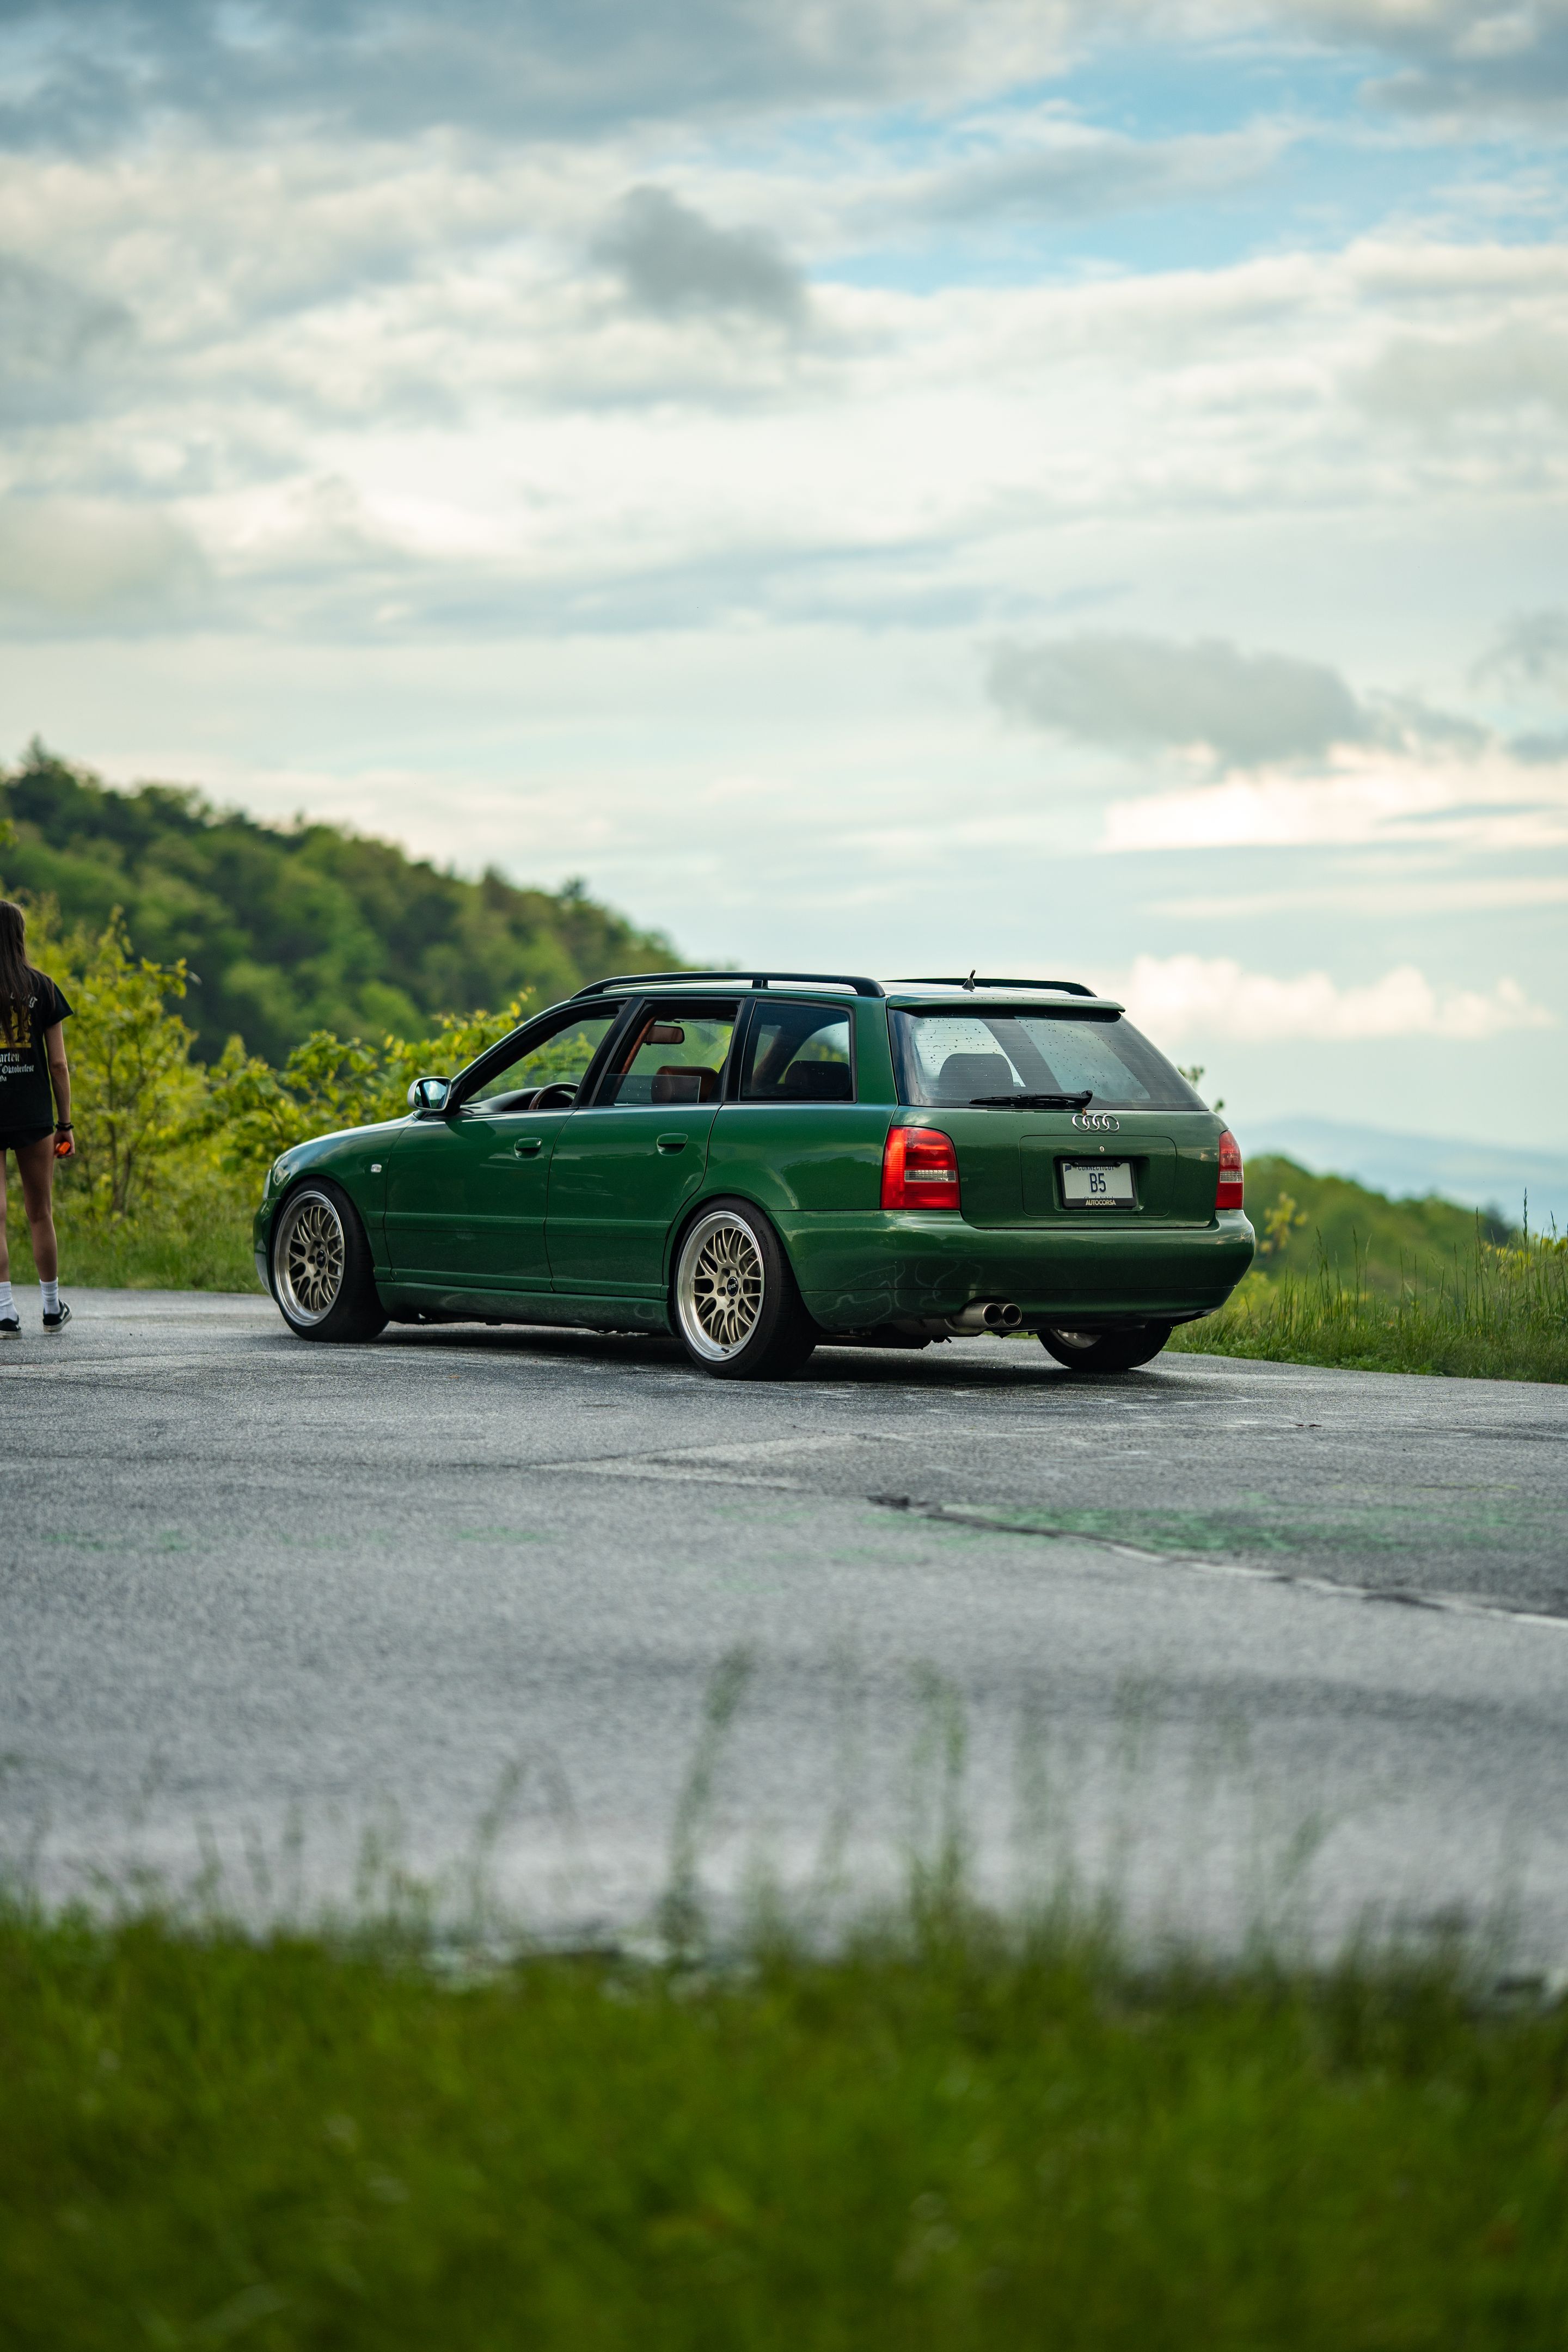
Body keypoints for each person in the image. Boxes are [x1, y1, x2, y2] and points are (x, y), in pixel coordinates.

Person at [0, 900, 73, 1333]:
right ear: (19, 936)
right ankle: (50, 1308)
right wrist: (65, 1125)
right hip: (33, 1114)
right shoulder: (44, 988)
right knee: (40, 1212)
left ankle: (4, 1311)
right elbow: (59, 1065)